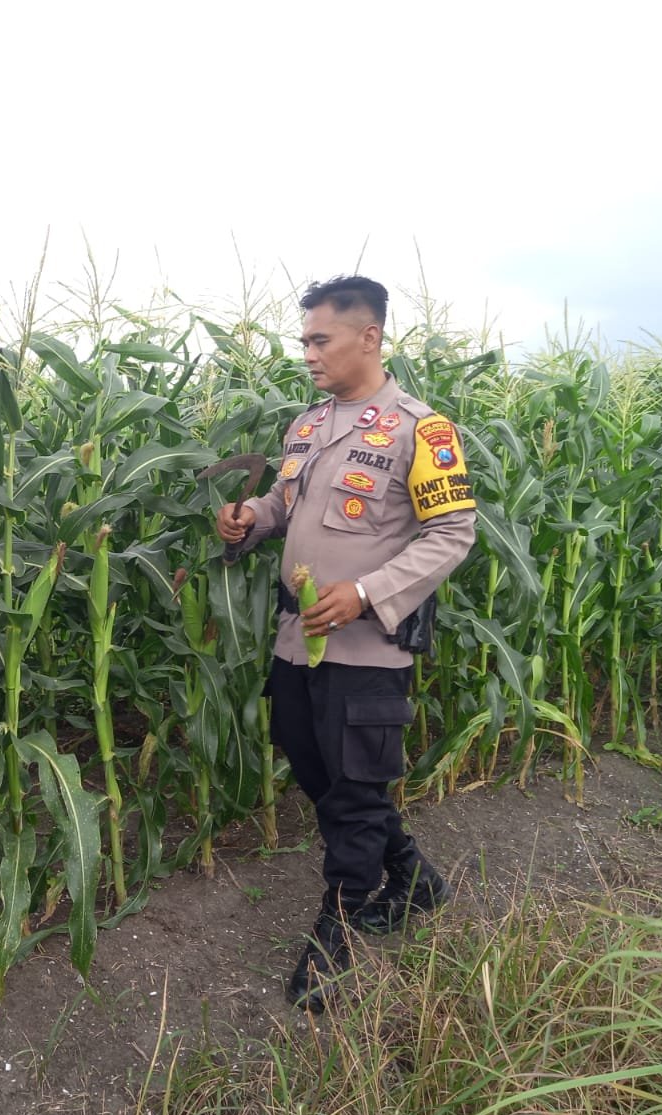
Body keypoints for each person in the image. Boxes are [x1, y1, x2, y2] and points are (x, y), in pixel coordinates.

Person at [214, 275, 476, 1013]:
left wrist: (364, 593)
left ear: (369, 336)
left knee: (356, 794)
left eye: (319, 339)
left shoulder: (422, 431)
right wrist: (251, 517)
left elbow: (453, 533)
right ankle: (414, 879)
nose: (307, 353)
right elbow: (285, 502)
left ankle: (339, 938)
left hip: (367, 651)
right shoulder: (307, 426)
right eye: (303, 340)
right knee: (319, 774)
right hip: (297, 643)